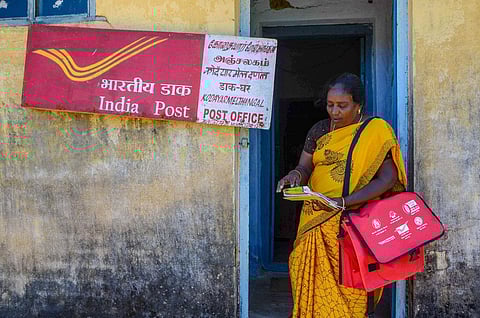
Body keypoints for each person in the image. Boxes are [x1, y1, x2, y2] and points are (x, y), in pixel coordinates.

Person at [277, 73, 407, 318]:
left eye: (342, 106)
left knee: (349, 283)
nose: (334, 111)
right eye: (330, 105)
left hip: (351, 221)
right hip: (315, 218)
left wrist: (345, 202)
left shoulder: (375, 131)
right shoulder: (319, 130)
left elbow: (388, 179)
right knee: (305, 273)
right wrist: (294, 175)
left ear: (358, 105)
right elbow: (305, 167)